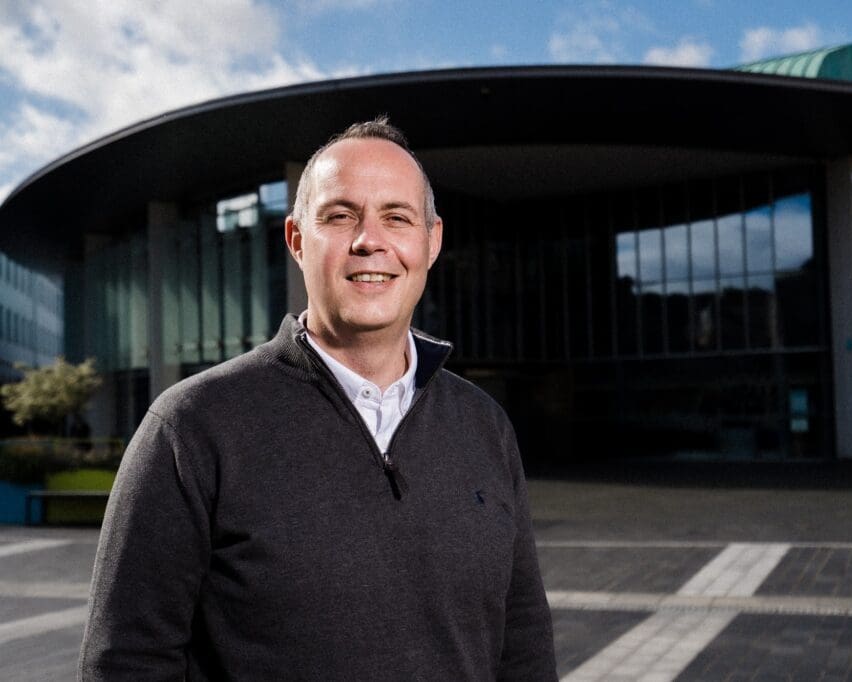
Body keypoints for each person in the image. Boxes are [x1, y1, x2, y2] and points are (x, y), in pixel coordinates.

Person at [79, 117, 557, 680]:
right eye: (340, 216)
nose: (369, 241)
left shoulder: (484, 425)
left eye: (397, 217)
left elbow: (523, 643)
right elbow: (126, 662)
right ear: (297, 240)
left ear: (431, 242)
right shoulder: (190, 427)